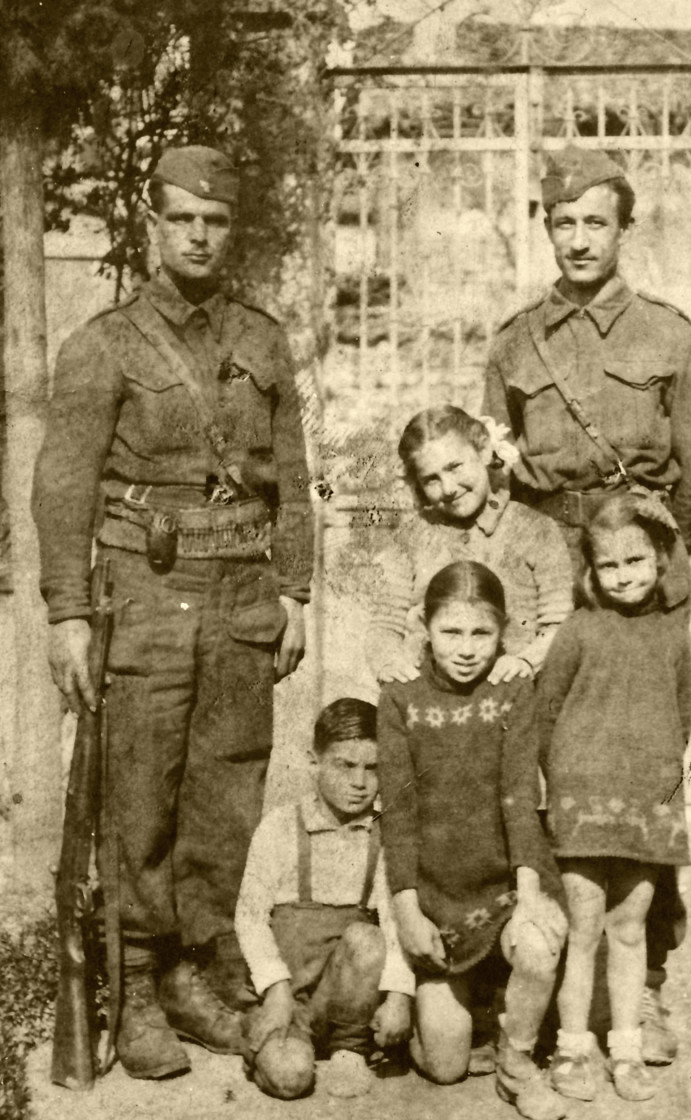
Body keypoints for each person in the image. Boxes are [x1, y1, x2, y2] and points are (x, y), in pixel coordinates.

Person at [32, 146, 314, 1079]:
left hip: (240, 596)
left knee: (225, 790)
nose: (199, 234)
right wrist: (70, 612)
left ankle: (197, 972)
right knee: (141, 796)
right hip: (144, 595)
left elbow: (294, 480)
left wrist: (297, 590)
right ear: (153, 226)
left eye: (216, 220)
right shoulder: (103, 344)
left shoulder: (263, 340)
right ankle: (141, 984)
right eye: (182, 218)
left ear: (232, 230)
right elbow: (63, 488)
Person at [482, 144, 691, 1063]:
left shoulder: (670, 336)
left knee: (645, 765)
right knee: (550, 753)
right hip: (551, 568)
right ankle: (545, 965)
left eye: (597, 221)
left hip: (644, 577)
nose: (579, 238)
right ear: (545, 227)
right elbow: (496, 470)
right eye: (564, 221)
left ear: (624, 229)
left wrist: (660, 553)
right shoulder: (515, 341)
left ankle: (649, 982)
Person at [378, 560, 568, 1120]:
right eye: (450, 632)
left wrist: (530, 893)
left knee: (537, 943)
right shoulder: (399, 699)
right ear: (424, 628)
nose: (466, 649)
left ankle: (517, 1062)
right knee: (445, 1067)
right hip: (439, 900)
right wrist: (408, 911)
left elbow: (517, 796)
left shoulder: (511, 692)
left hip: (505, 886)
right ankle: (451, 1011)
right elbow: (400, 814)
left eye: (481, 633)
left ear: (504, 632)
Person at [534, 491, 691, 1103]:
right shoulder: (578, 629)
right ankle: (573, 1045)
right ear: (590, 571)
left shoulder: (673, 634)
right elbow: (546, 714)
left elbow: (680, 716)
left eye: (635, 561)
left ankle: (625, 1048)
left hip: (647, 802)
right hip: (582, 801)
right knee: (583, 926)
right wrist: (557, 785)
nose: (623, 576)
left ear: (660, 559)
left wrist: (663, 793)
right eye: (609, 565)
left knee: (629, 928)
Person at [235, 697, 413, 1100]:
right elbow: (248, 918)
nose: (359, 782)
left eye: (373, 768)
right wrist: (276, 990)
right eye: (345, 766)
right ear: (314, 762)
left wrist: (400, 996)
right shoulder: (280, 826)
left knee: (368, 939)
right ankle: (282, 1047)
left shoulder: (385, 836)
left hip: (347, 1004)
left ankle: (350, 1049)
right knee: (290, 1077)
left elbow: (398, 922)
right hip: (288, 998)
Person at [366, 406, 573, 685]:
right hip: (431, 696)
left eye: (454, 467)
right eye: (432, 479)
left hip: (514, 691)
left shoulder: (535, 530)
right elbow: (384, 626)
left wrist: (525, 661)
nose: (448, 487)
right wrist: (390, 663)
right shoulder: (408, 538)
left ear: (484, 451)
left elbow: (559, 623)